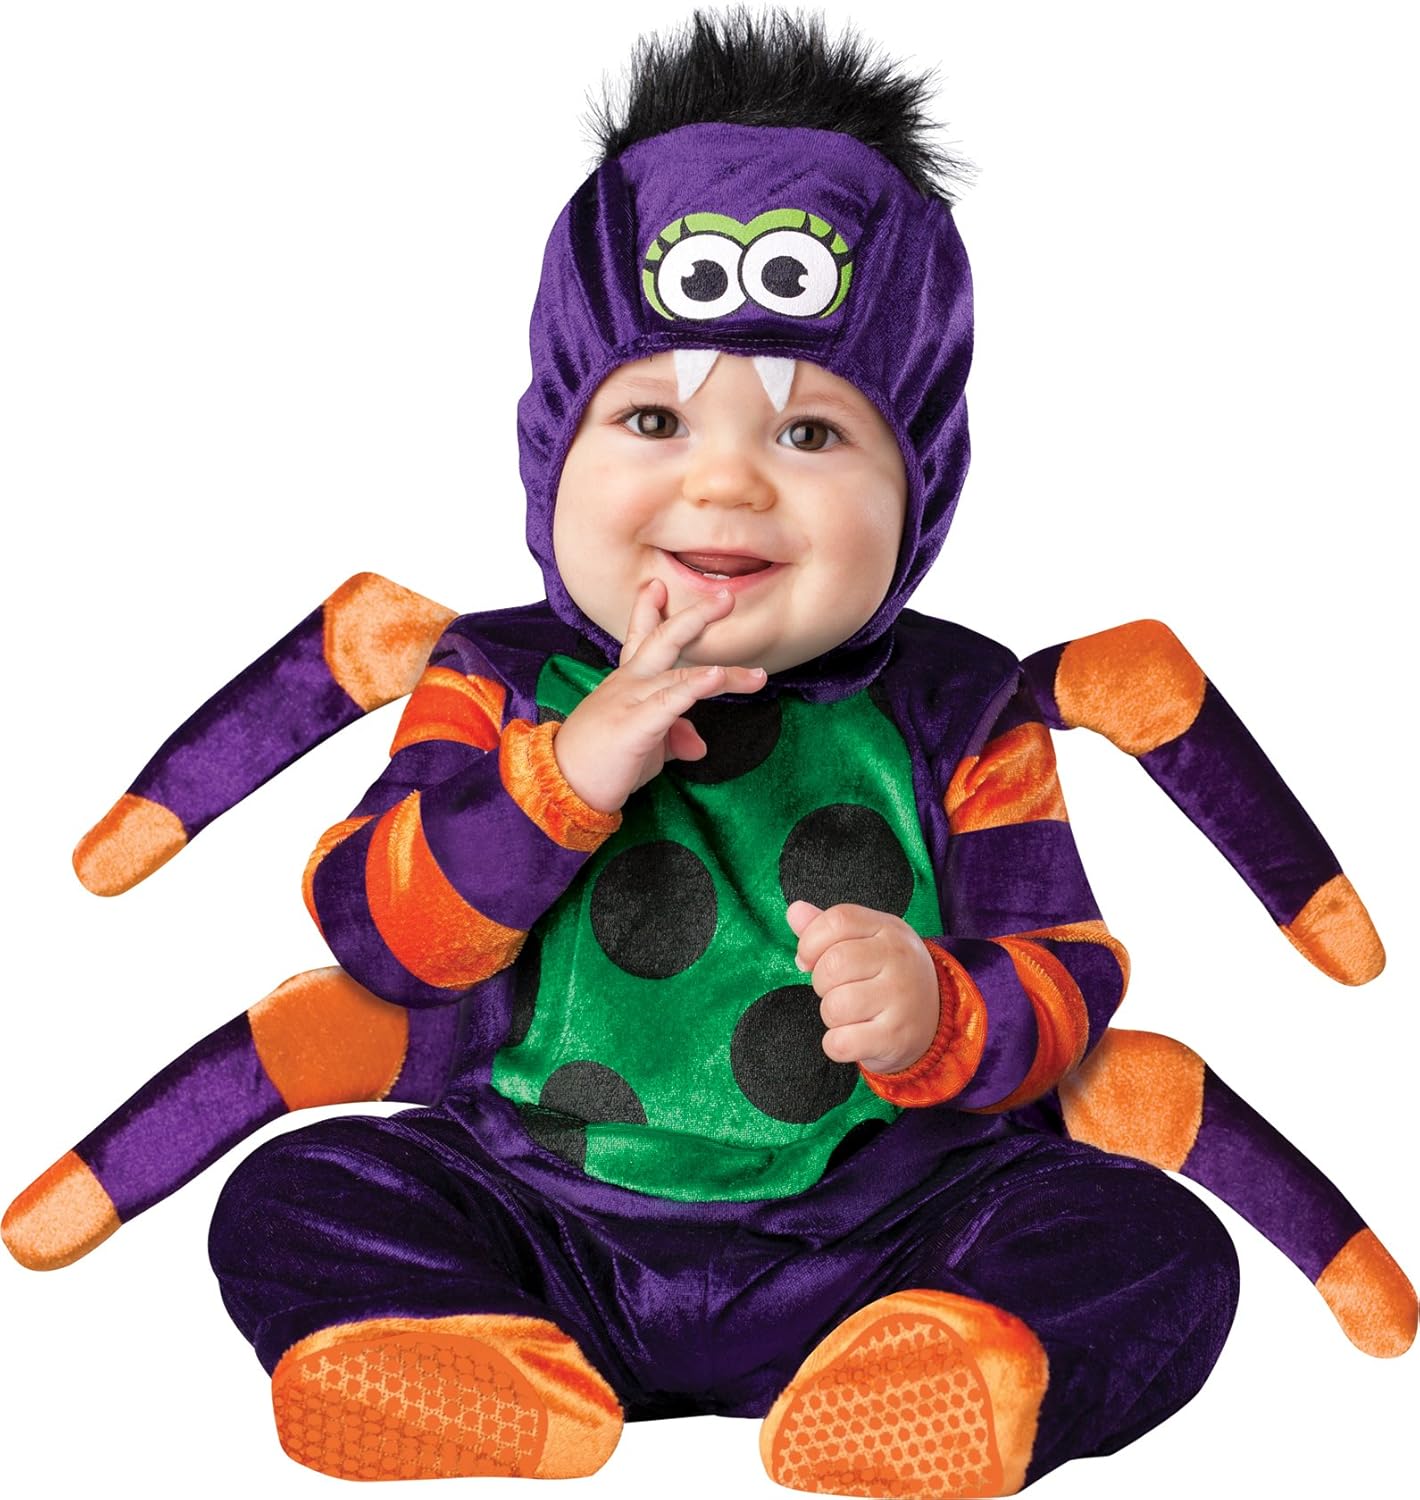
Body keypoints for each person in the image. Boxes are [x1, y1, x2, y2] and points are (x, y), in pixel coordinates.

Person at [205, 12, 1239, 1493]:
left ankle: (940, 1373)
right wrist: (563, 773)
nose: (728, 483)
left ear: (921, 488)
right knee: (300, 1191)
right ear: (552, 453)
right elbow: (380, 933)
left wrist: (942, 1007)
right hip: (539, 1218)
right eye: (651, 417)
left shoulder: (959, 705)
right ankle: (457, 1355)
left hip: (875, 1236)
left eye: (813, 437)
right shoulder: (498, 675)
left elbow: (1066, 972)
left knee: (1152, 1243)